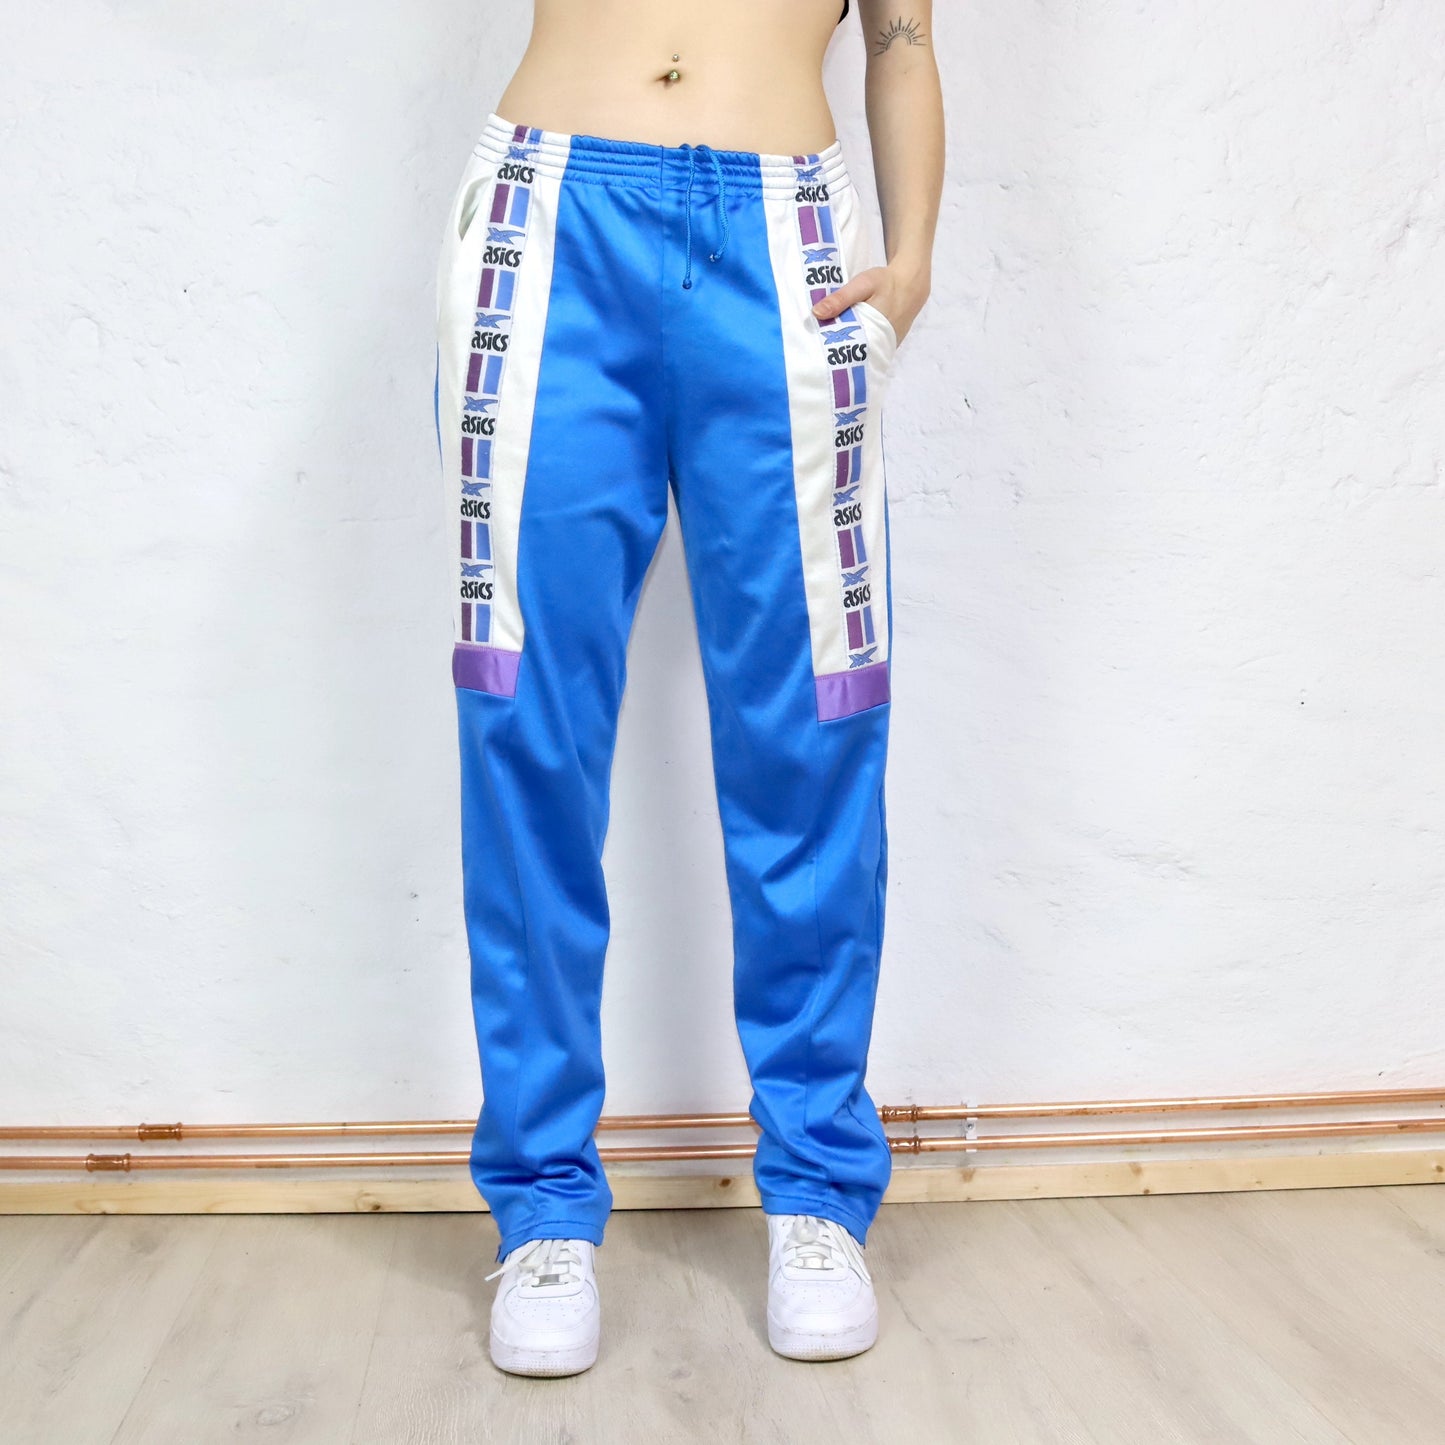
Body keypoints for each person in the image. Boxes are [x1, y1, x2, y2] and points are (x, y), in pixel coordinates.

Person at [432, 0, 942, 1377]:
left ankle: (818, 1189)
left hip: (789, 241)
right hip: (547, 224)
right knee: (524, 720)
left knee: (813, 725)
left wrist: (911, 262)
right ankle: (541, 1205)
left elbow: (900, 41)